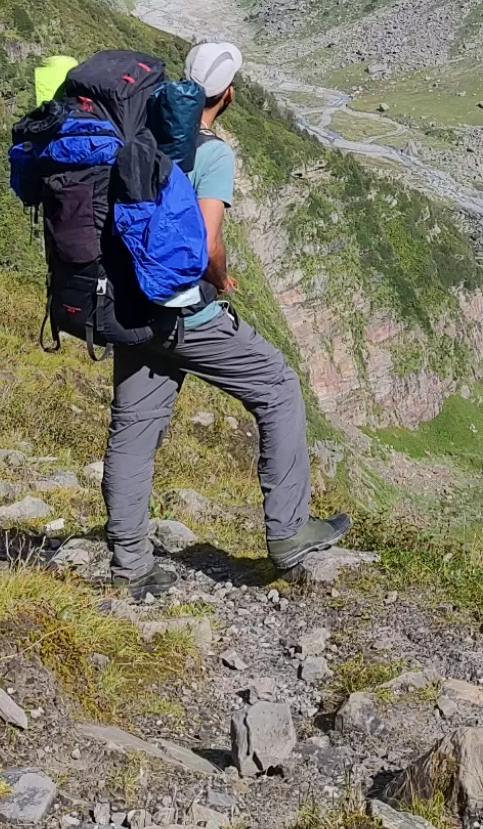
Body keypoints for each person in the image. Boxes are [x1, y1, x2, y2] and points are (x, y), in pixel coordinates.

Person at [101, 38, 351, 599]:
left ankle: (129, 564)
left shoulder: (135, 139)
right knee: (279, 387)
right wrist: (219, 276)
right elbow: (209, 241)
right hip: (184, 314)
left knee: (134, 428)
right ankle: (289, 532)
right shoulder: (211, 153)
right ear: (229, 95)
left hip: (130, 309)